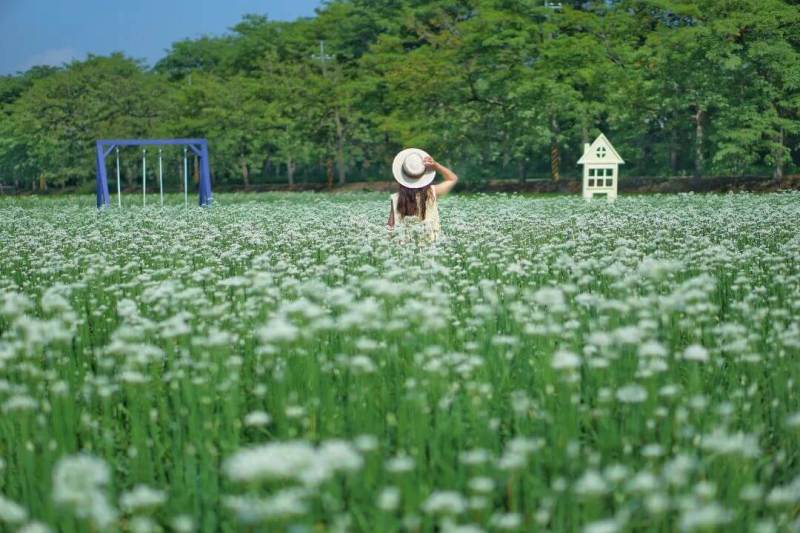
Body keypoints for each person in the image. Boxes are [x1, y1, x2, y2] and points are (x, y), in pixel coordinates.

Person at [386, 148, 458, 244]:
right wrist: (436, 166)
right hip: (430, 246)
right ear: (423, 175)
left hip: (405, 248)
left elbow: (390, 226)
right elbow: (452, 179)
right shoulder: (432, 192)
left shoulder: (395, 198)